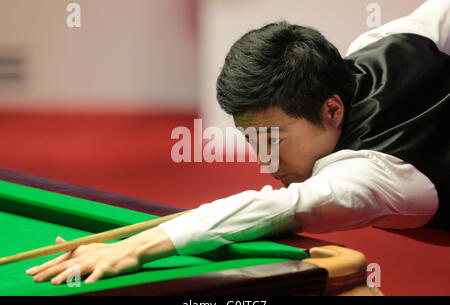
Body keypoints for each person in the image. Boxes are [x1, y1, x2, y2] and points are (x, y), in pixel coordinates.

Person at [26, 0, 449, 284]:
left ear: (332, 110)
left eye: (275, 139)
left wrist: (135, 248)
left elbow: (278, 207)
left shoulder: (375, 176)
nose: (266, 163)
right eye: (253, 140)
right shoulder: (383, 43)